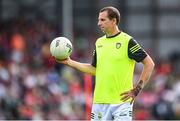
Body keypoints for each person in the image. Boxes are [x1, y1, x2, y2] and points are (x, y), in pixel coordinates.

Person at [55, 6, 155, 121]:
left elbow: (149, 64)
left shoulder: (128, 41)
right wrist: (69, 62)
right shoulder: (99, 43)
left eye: (102, 20)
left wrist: (137, 89)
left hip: (121, 103)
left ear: (114, 21)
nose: (98, 23)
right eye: (98, 20)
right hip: (100, 102)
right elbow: (94, 69)